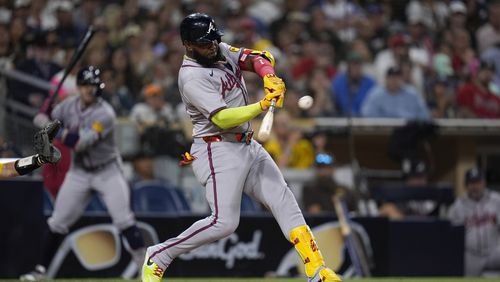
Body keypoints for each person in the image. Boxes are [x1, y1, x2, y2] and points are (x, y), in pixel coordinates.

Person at [142, 13, 341, 282]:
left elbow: (258, 57)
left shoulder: (219, 49)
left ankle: (317, 270)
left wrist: (269, 77)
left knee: (284, 200)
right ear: (188, 45)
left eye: (214, 39)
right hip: (216, 148)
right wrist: (261, 105)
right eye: (205, 43)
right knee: (223, 223)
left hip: (247, 144)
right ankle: (160, 254)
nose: (212, 46)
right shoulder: (191, 77)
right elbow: (222, 118)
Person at [20, 66, 145, 281]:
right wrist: (43, 114)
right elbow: (46, 117)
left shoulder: (105, 113)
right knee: (57, 222)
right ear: (78, 87)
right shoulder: (68, 106)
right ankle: (40, 271)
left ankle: (146, 271)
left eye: (93, 86)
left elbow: (80, 143)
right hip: (79, 173)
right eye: (86, 86)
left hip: (107, 171)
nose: (89, 90)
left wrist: (48, 125)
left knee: (124, 221)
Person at [448, 167, 500, 277]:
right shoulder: (457, 206)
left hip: (494, 252)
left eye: (478, 182)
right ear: (466, 185)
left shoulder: (496, 200)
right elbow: (451, 236)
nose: (475, 186)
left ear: (484, 182)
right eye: (471, 183)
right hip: (470, 255)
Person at [361, 66, 430, 120]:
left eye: (397, 77)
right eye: (391, 77)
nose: (394, 80)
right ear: (386, 78)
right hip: (382, 132)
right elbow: (366, 114)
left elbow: (424, 115)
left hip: (408, 132)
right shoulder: (376, 94)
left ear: (401, 78)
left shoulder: (412, 93)